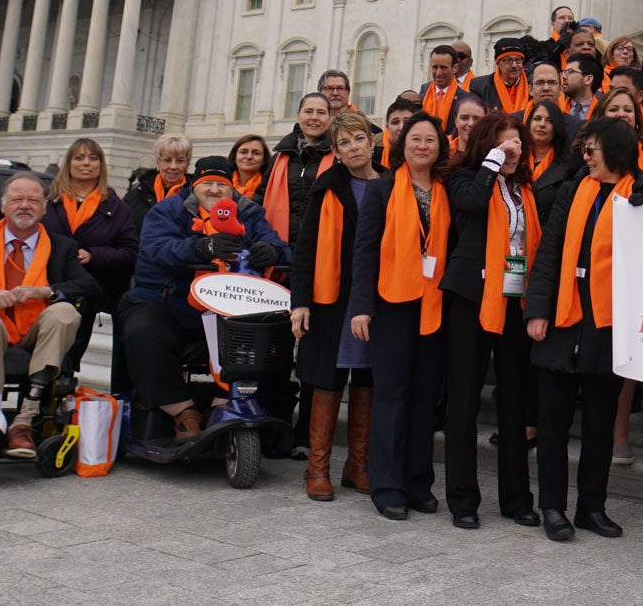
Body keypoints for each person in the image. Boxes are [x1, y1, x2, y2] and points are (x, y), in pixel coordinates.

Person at [525, 118, 643, 541]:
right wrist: (537, 309)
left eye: (592, 150)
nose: (584, 156)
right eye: (584, 150)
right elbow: (549, 251)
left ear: (617, 152)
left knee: (600, 426)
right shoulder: (570, 191)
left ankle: (591, 508)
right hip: (563, 320)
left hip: (608, 325)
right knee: (552, 424)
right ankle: (552, 507)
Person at [119, 157, 285, 443]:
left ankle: (225, 404)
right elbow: (155, 248)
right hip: (168, 300)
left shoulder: (249, 213)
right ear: (194, 186)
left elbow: (278, 245)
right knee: (144, 331)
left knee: (263, 336)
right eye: (206, 183)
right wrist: (198, 247)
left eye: (221, 185)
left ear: (231, 189)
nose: (214, 190)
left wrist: (271, 251)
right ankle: (183, 411)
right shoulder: (169, 209)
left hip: (227, 307)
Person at [0, 173, 98, 462]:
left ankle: (25, 418)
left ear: (44, 208)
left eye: (33, 200)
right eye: (17, 199)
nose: (25, 205)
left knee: (63, 311)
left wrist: (46, 291)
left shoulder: (62, 247)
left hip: (35, 335)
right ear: (3, 206)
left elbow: (90, 288)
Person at [347, 111, 454, 520]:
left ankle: (417, 483)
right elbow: (366, 250)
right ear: (401, 145)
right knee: (392, 395)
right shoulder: (382, 189)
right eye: (415, 139)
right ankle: (387, 485)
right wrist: (361, 307)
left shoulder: (446, 190)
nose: (422, 146)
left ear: (439, 146)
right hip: (391, 303)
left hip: (433, 305)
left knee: (425, 396)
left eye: (430, 140)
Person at [443, 113, 544, 529]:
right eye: (503, 143)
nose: (511, 150)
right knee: (464, 399)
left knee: (515, 401)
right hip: (471, 297)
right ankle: (463, 499)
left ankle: (517, 497)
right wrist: (491, 162)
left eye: (516, 143)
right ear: (485, 145)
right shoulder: (465, 178)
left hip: (515, 298)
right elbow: (471, 203)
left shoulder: (525, 189)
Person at [290, 111, 382, 502]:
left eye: (358, 139)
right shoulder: (326, 185)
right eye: (344, 143)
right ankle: (318, 467)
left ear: (372, 142)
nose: (353, 147)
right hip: (333, 300)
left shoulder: (394, 184)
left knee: (367, 379)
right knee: (328, 380)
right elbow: (306, 247)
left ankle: (357, 466)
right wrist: (301, 302)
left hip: (380, 298)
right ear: (337, 152)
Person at [43, 138, 139, 383]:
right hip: (44, 287)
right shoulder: (48, 202)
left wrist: (94, 255)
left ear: (101, 164)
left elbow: (129, 253)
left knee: (69, 356)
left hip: (86, 292)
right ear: (69, 163)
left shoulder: (117, 208)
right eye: (79, 158)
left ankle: (58, 394)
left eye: (93, 158)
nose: (86, 163)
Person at [265, 93, 335, 247]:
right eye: (308, 111)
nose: (314, 117)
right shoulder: (278, 159)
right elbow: (259, 203)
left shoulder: (339, 158)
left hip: (321, 249)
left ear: (330, 118)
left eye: (321, 113)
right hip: (280, 250)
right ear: (298, 116)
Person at [123, 132, 192, 227]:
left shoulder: (195, 196)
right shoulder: (136, 194)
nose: (173, 166)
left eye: (180, 161)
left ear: (187, 164)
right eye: (167, 160)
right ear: (158, 162)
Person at [525, 98, 577, 218]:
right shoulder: (515, 158)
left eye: (549, 121)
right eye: (537, 119)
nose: (542, 124)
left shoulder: (569, 165)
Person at [470, 37, 534, 115]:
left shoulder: (532, 85)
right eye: (508, 60)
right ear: (498, 63)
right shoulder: (480, 86)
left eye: (518, 60)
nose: (514, 65)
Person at [419, 45, 462, 123]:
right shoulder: (420, 100)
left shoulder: (464, 100)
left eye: (443, 68)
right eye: (435, 67)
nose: (438, 73)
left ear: (455, 68)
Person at [560, 54, 602, 124]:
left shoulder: (602, 112)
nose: (563, 77)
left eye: (570, 72)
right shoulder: (558, 110)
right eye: (563, 72)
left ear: (588, 79)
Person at [448, 93, 488, 158]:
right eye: (464, 118)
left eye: (477, 119)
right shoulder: (443, 151)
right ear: (456, 121)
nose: (471, 123)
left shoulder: (491, 154)